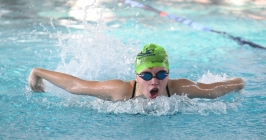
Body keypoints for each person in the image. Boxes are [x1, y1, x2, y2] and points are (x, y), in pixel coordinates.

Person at [29, 43, 245, 101]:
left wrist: (238, 83)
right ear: (136, 77)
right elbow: (76, 86)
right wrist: (38, 72)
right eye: (148, 75)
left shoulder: (178, 88)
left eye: (161, 74)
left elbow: (213, 91)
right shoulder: (119, 91)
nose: (155, 81)